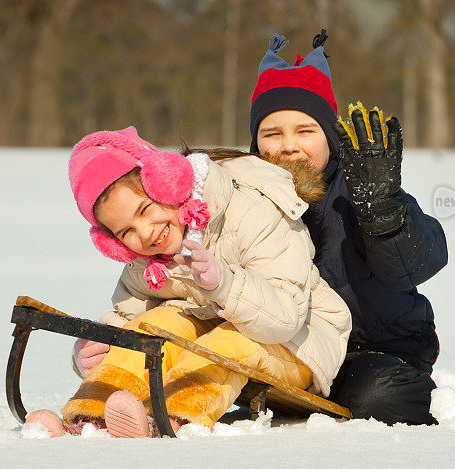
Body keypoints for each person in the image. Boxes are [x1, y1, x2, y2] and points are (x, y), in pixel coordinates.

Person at [26, 127, 351, 437]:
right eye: (126, 232)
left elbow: (285, 319)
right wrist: (98, 345)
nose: (145, 233)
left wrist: (223, 283)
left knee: (228, 341)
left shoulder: (253, 213)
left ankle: (173, 417)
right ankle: (89, 419)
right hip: (218, 326)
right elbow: (130, 317)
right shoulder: (148, 258)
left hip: (299, 344)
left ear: (165, 184)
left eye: (144, 209)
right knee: (157, 322)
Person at [248, 30, 448, 425]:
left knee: (377, 398)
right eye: (272, 133)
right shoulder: (246, 194)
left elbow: (418, 263)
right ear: (255, 143)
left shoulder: (361, 187)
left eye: (305, 131)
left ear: (331, 137)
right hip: (285, 347)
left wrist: (384, 213)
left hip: (372, 348)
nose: (289, 145)